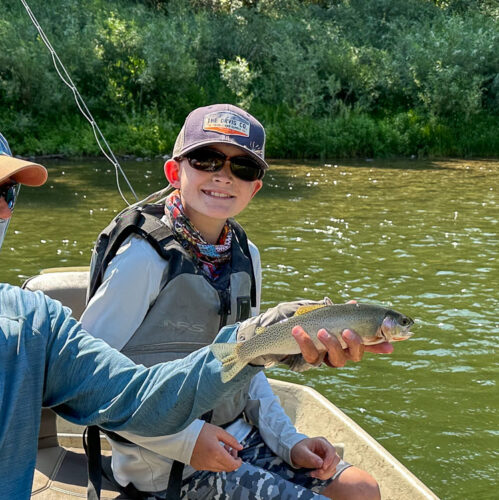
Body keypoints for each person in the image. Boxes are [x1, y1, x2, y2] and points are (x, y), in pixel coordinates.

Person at [0, 110, 273, 499]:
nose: (3, 212)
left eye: (9, 194)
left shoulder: (32, 325)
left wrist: (253, 344)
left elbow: (139, 397)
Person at [81, 104, 383, 499]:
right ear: (175, 172)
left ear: (254, 186)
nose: (223, 175)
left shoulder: (247, 254)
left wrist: (288, 441)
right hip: (165, 462)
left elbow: (249, 360)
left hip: (238, 436)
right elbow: (87, 378)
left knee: (362, 489)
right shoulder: (142, 260)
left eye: (243, 167)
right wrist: (189, 442)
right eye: (206, 159)